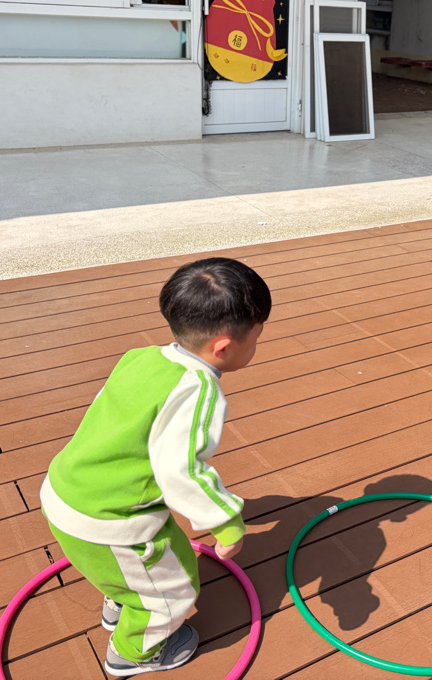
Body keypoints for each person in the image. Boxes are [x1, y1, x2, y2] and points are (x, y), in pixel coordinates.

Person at [40, 257, 271, 676]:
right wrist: (227, 522)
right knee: (175, 590)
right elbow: (181, 472)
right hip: (111, 519)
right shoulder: (198, 390)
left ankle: (122, 599)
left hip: (66, 488)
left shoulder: (141, 357)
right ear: (223, 347)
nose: (256, 346)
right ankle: (133, 652)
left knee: (144, 565)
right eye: (256, 339)